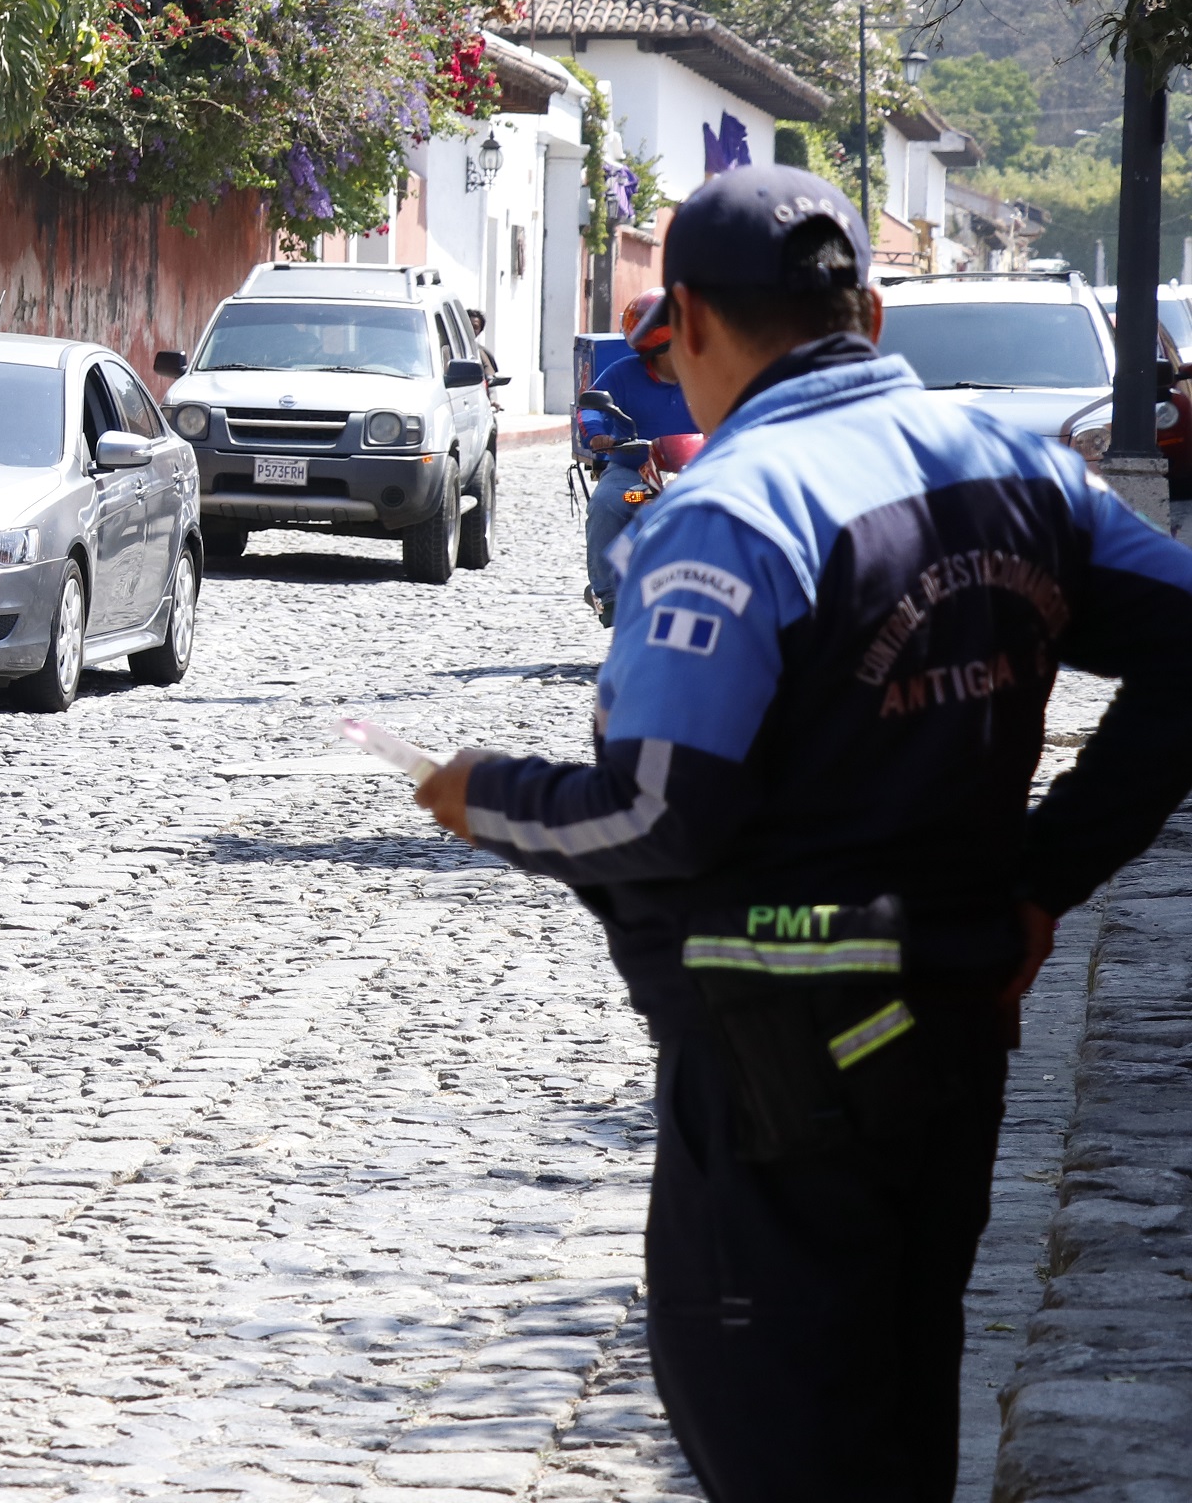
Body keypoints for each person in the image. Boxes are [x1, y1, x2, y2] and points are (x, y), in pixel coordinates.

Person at [411, 165, 1192, 1503]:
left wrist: (483, 794)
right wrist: (1047, 878)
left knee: (771, 1425)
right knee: (897, 1406)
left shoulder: (733, 509)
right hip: (949, 1019)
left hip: (781, 1056)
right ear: (870, 316)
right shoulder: (1016, 472)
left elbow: (662, 808)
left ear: (692, 327)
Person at [579, 291, 698, 625]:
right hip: (638, 475)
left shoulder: (708, 372)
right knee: (607, 503)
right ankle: (609, 595)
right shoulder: (622, 373)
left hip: (701, 473)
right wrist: (598, 434)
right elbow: (590, 407)